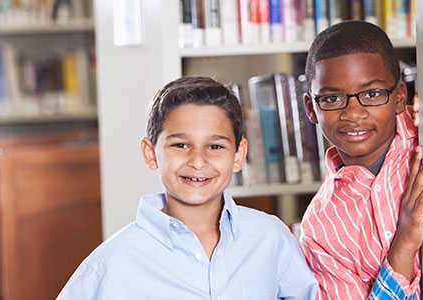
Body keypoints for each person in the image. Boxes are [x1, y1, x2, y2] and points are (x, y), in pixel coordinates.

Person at [58, 76, 318, 299]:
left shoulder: (270, 239)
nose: (197, 161)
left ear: (238, 155)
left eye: (215, 146)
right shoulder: (111, 263)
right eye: (180, 145)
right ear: (151, 154)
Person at [300, 21, 423, 300]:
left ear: (399, 96)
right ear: (311, 108)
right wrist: (404, 245)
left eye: (372, 94)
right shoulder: (321, 228)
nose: (353, 113)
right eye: (332, 98)